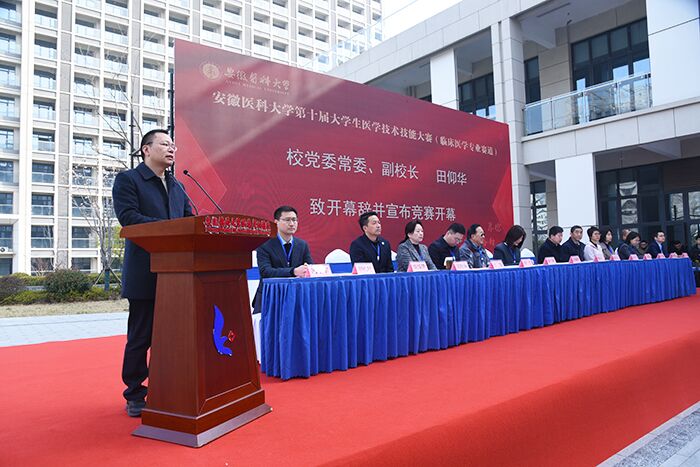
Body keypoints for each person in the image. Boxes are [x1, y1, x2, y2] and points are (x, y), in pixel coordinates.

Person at [112, 129, 193, 417]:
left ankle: (167, 386)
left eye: (173, 145)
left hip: (179, 275)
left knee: (173, 336)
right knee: (141, 336)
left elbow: (190, 221)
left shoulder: (177, 185)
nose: (171, 149)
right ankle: (134, 392)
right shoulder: (129, 180)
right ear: (146, 149)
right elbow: (129, 218)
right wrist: (170, 229)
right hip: (145, 272)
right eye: (164, 144)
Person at [253, 205, 313, 314]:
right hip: (270, 297)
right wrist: (293, 271)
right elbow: (266, 272)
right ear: (276, 222)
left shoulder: (302, 245)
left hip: (296, 297)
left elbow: (310, 267)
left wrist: (307, 269)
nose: (292, 223)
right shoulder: (264, 244)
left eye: (294, 220)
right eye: (287, 220)